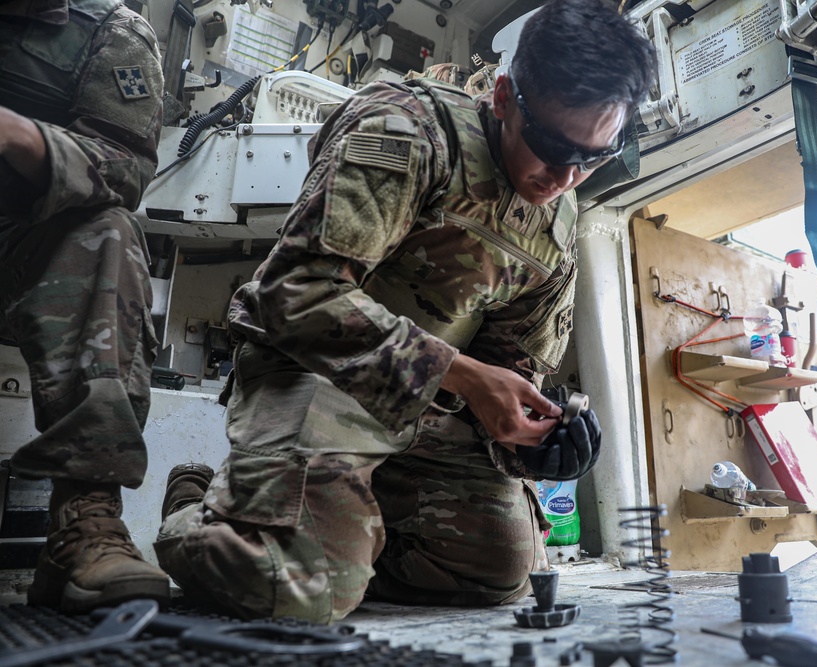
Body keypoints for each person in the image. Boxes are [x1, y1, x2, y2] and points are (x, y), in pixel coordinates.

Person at [156, 0, 655, 623]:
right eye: (552, 147)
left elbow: (508, 364)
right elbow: (295, 293)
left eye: (593, 157)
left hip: (430, 411)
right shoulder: (405, 130)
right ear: (504, 98)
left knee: (501, 574)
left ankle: (342, 539)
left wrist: (536, 442)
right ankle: (198, 504)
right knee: (299, 596)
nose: (565, 177)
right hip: (317, 378)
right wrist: (468, 378)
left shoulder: (554, 220)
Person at [0, 0, 167, 612]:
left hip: (15, 249)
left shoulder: (110, 32)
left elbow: (124, 168)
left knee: (109, 232)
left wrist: (21, 135)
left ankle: (85, 521)